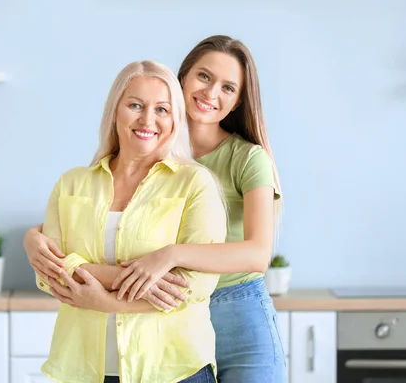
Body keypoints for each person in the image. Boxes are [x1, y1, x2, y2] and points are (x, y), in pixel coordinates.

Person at [25, 35, 287, 383]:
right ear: (181, 80)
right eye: (204, 77)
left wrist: (169, 255)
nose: (210, 94)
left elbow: (257, 254)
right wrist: (34, 237)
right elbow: (102, 228)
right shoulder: (143, 148)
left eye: (228, 87)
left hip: (233, 307)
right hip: (159, 308)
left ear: (239, 100)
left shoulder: (241, 161)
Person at [32, 59, 227, 383]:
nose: (147, 119)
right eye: (135, 105)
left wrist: (103, 299)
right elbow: (50, 273)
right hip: (85, 369)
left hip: (175, 370)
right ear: (115, 111)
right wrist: (135, 280)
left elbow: (193, 286)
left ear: (175, 118)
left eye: (162, 109)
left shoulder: (195, 183)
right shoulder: (72, 183)